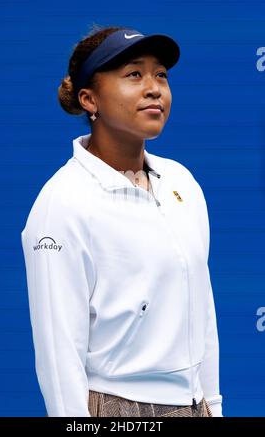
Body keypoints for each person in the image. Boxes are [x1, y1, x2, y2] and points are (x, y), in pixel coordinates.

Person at [21, 25, 223, 417]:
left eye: (160, 75)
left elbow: (202, 308)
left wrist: (213, 405)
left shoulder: (182, 182)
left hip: (193, 406)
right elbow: (58, 352)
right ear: (88, 98)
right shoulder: (61, 204)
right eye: (134, 74)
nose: (154, 88)